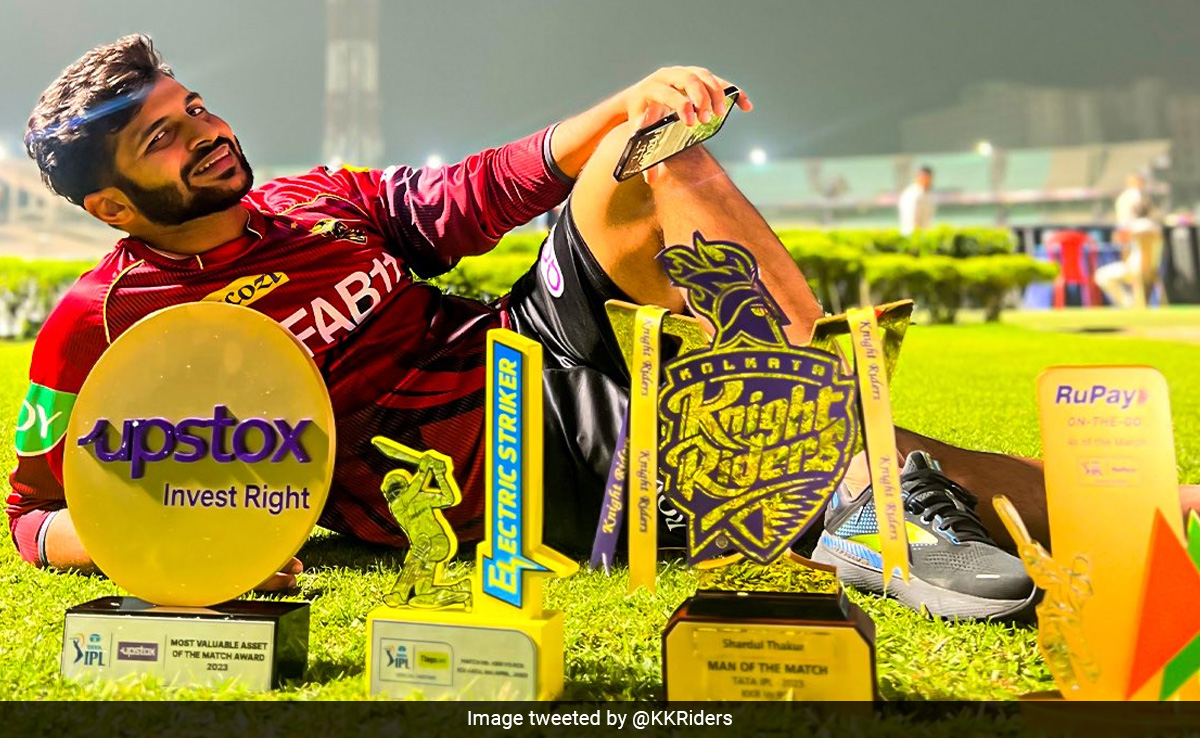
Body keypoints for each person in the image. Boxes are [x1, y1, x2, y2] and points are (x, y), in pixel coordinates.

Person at [11, 34, 1055, 620]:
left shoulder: (313, 202)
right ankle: (947, 486)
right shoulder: (95, 324)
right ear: (110, 205)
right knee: (878, 462)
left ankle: (822, 427)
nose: (207, 133)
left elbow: (478, 188)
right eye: (164, 138)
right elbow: (26, 513)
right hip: (495, 466)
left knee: (652, 146)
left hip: (526, 349)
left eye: (194, 107)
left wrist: (628, 99)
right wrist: (173, 541)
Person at [1095, 201, 1165, 308]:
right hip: (1153, 268)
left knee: (1100, 275)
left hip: (1135, 268)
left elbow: (1120, 240)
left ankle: (1128, 304)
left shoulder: (1135, 225)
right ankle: (1131, 303)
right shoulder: (1156, 227)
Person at [898, 165, 935, 236]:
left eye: (927, 177)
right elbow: (912, 219)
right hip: (911, 236)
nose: (925, 180)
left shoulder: (928, 194)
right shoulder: (912, 194)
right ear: (917, 177)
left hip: (923, 236)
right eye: (922, 177)